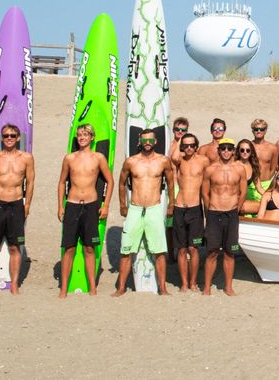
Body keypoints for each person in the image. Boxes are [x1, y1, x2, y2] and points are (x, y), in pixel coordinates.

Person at [112, 129, 175, 296]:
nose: (147, 143)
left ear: (155, 141)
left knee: (160, 250)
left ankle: (162, 288)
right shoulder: (131, 162)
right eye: (144, 140)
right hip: (135, 208)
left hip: (154, 208)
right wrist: (122, 205)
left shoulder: (163, 161)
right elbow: (121, 183)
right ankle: (121, 288)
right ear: (140, 141)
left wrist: (171, 205)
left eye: (150, 140)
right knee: (126, 249)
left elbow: (170, 183)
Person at [57, 124, 113, 298]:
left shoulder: (98, 158)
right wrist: (60, 205)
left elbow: (109, 181)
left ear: (91, 137)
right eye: (79, 135)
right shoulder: (69, 158)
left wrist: (106, 205)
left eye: (85, 134)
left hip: (91, 205)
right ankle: (64, 289)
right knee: (69, 248)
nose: (81, 137)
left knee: (89, 248)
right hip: (72, 204)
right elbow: (61, 182)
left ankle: (93, 288)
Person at [0, 123, 34, 295]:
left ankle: (14, 284)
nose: (9, 138)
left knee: (15, 247)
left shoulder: (26, 158)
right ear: (2, 139)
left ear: (18, 138)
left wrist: (27, 205)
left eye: (12, 135)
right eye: (6, 136)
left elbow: (30, 183)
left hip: (16, 204)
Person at [202, 138, 250, 296]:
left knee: (230, 252)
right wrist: (210, 209)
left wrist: (236, 208)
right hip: (215, 213)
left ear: (233, 150)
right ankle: (207, 286)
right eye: (223, 148)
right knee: (212, 252)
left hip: (231, 213)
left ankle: (228, 287)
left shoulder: (239, 168)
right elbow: (205, 192)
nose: (226, 151)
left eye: (230, 148)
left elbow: (243, 192)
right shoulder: (210, 169)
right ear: (219, 150)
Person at [171, 133, 208, 293]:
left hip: (195, 208)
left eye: (191, 145)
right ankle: (184, 283)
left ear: (196, 146)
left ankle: (193, 282)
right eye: (185, 146)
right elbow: (173, 156)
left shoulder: (203, 161)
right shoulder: (179, 160)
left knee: (194, 248)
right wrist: (178, 138)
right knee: (181, 249)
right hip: (180, 206)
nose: (188, 148)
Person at [247, 119, 279, 202]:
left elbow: (273, 167)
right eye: (256, 129)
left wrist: (268, 180)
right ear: (252, 131)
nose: (259, 131)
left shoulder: (273, 148)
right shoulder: (247, 147)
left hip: (266, 183)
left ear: (265, 131)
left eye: (261, 129)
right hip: (250, 184)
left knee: (265, 211)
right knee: (248, 212)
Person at [235, 139, 263, 216]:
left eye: (248, 150)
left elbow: (259, 187)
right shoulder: (234, 165)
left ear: (251, 152)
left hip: (243, 200)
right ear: (238, 151)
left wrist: (271, 197)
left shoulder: (253, 166)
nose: (245, 152)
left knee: (265, 206)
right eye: (242, 150)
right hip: (233, 200)